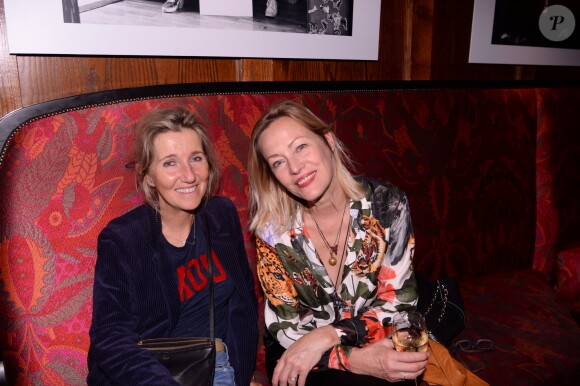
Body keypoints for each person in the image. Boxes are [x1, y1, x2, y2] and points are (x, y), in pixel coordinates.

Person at [247, 100, 429, 386]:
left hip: (373, 337)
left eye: (300, 147)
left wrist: (330, 335)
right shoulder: (271, 229)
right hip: (299, 348)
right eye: (278, 162)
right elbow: (286, 325)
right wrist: (351, 360)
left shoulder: (387, 204)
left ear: (328, 141)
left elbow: (399, 303)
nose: (295, 168)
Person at [88, 107, 259, 385]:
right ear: (148, 177)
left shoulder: (221, 216)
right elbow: (111, 339)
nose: (189, 175)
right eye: (170, 163)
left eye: (196, 158)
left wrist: (242, 375)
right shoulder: (123, 239)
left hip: (217, 369)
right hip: (149, 376)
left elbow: (243, 306)